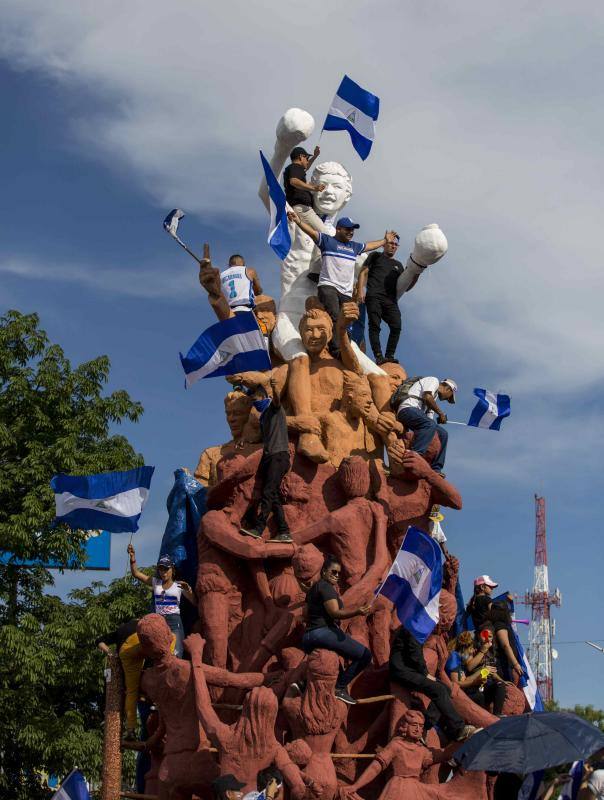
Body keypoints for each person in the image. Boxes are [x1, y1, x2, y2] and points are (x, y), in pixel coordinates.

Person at [287, 211, 398, 356]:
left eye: (352, 230)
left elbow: (369, 245)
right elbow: (312, 233)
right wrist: (298, 221)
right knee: (334, 315)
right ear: (338, 229)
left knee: (347, 320)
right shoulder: (328, 241)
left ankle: (346, 347)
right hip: (328, 286)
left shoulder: (354, 247)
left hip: (345, 292)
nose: (351, 232)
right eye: (347, 229)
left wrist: (384, 241)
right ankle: (336, 350)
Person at [301, 554, 372, 705]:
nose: (337, 575)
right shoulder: (327, 588)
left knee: (335, 664)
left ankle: (304, 684)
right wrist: (357, 611)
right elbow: (334, 612)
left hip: (308, 637)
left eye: (339, 573)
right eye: (334, 572)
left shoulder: (313, 589)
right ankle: (340, 688)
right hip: (323, 633)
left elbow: (305, 614)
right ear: (324, 571)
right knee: (365, 655)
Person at [389, 623, 477, 741]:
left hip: (411, 669)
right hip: (402, 671)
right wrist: (426, 674)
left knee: (445, 688)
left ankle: (425, 724)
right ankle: (459, 728)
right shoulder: (414, 627)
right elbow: (415, 654)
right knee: (439, 689)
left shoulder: (417, 626)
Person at [240, 375, 293, 542]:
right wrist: (246, 440)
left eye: (255, 399)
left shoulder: (274, 408)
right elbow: (262, 438)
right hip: (269, 457)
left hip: (279, 455)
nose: (255, 404)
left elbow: (277, 399)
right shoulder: (263, 418)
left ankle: (259, 528)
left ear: (263, 396)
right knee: (274, 495)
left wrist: (275, 388)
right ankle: (284, 531)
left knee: (268, 492)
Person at [127, 545, 195, 658]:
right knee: (159, 654)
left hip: (174, 621)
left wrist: (189, 590)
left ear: (172, 570)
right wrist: (132, 557)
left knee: (176, 653)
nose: (163, 572)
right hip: (159, 621)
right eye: (161, 569)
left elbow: (194, 602)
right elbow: (136, 574)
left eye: (166, 569)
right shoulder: (155, 582)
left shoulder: (179, 585)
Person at [394, 376, 457, 475]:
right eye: (449, 396)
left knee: (443, 434)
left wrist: (439, 419)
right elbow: (427, 397)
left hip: (416, 414)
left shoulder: (434, 398)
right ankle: (414, 455)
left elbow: (429, 419)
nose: (446, 399)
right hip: (407, 410)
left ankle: (436, 468)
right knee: (429, 425)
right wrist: (440, 413)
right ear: (448, 389)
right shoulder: (433, 380)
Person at [96, 617, 144, 739]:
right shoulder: (143, 622)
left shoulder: (120, 630)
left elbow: (99, 641)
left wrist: (110, 653)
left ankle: (130, 729)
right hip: (143, 642)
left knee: (131, 691)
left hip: (126, 651)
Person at [360, 235, 405, 364]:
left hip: (390, 300)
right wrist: (361, 290)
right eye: (391, 243)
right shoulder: (375, 256)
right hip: (374, 295)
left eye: (395, 245)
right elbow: (363, 272)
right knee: (374, 325)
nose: (393, 246)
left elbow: (406, 285)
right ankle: (379, 356)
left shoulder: (398, 265)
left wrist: (416, 273)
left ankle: (389, 355)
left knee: (396, 325)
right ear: (384, 244)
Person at [446, 627, 507, 715]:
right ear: (465, 648)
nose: (473, 651)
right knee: (479, 696)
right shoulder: (454, 658)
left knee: (499, 686)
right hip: (463, 694)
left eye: (490, 636)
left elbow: (465, 680)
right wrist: (475, 681)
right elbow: (456, 683)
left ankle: (497, 715)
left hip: (475, 687)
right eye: (471, 649)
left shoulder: (461, 660)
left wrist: (500, 680)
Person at [283, 146, 324, 233]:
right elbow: (294, 181)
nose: (308, 160)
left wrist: (315, 155)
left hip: (299, 209)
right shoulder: (295, 167)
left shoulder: (294, 169)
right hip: (303, 209)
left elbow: (306, 167)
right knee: (325, 235)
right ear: (301, 157)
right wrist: (314, 188)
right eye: (307, 158)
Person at [489, 601, 525, 682]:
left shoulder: (498, 625)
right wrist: (516, 664)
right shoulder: (500, 625)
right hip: (505, 667)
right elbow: (505, 645)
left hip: (507, 665)